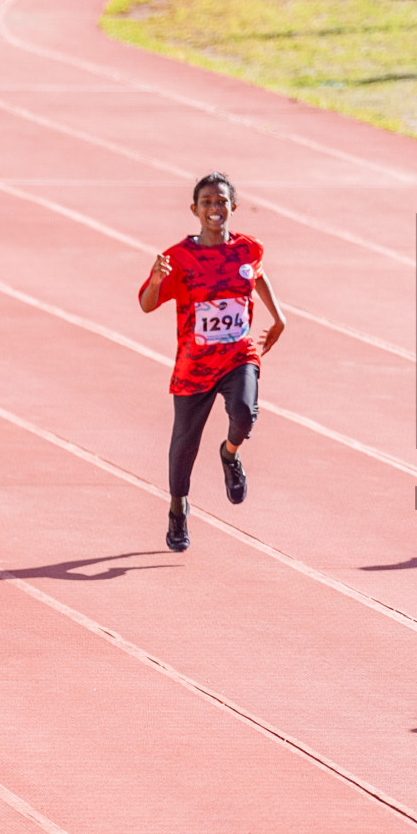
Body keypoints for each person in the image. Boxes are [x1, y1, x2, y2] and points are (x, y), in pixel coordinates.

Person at [139, 173, 286, 551]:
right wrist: (156, 280)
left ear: (232, 207)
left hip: (238, 356)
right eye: (206, 202)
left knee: (244, 413)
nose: (214, 209)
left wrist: (279, 317)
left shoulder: (248, 249)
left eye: (221, 201)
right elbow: (146, 304)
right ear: (194, 210)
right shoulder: (178, 259)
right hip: (195, 366)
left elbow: (257, 276)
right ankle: (177, 508)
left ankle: (229, 454)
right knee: (184, 445)